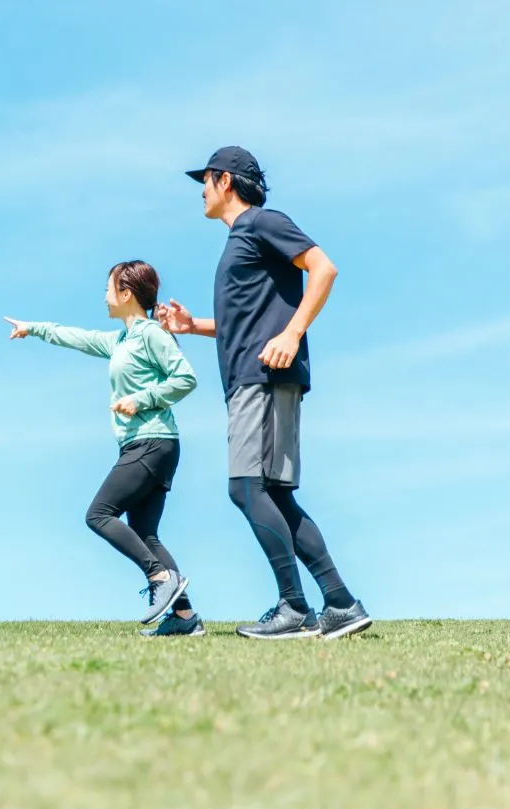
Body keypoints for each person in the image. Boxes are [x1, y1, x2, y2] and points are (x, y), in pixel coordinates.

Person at [158, 146, 371, 640]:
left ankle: (296, 608)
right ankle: (338, 603)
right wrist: (192, 327)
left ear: (225, 180)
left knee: (246, 487)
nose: (202, 191)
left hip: (264, 377)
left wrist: (293, 333)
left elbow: (323, 268)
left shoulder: (261, 223)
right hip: (248, 379)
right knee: (272, 492)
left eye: (205, 181)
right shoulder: (241, 240)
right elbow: (244, 321)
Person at [5, 261, 205, 635]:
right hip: (143, 444)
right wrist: (34, 329)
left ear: (126, 294)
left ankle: (159, 577)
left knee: (99, 514)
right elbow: (78, 338)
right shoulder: (122, 340)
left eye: (109, 289)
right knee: (145, 534)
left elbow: (186, 378)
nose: (105, 296)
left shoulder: (151, 334)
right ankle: (184, 618)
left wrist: (141, 399)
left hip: (153, 441)